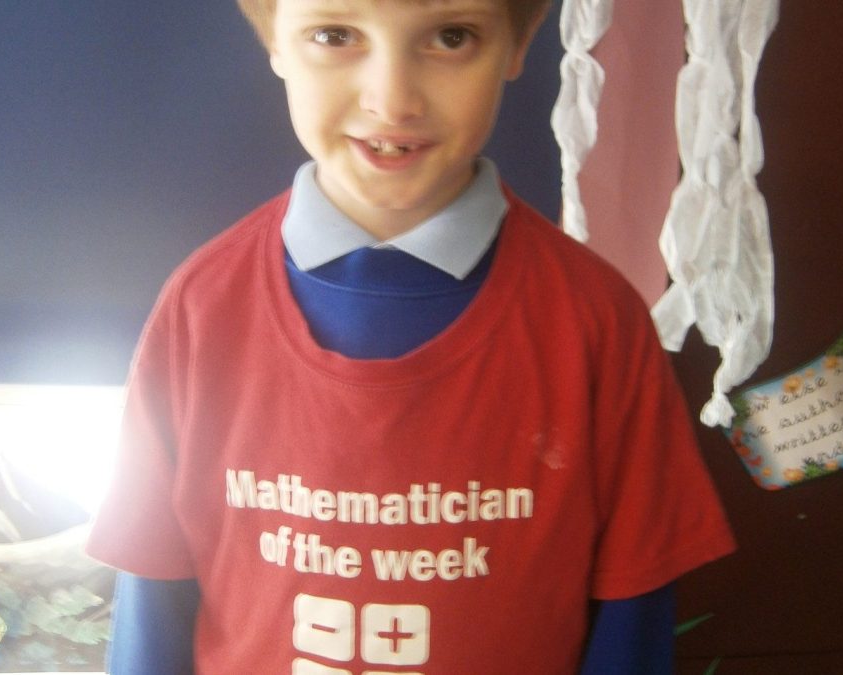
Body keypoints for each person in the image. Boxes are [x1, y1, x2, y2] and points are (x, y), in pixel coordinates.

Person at [86, 0, 737, 673]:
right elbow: (152, 594)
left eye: (452, 37)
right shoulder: (199, 309)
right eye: (335, 35)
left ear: (516, 44)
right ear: (275, 38)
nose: (392, 101)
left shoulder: (598, 321)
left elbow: (634, 613)